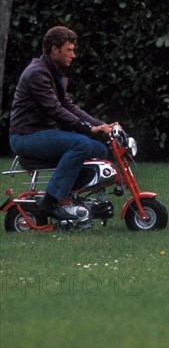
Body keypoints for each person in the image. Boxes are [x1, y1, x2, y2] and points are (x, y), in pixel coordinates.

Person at [9, 26, 115, 223]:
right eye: (69, 50)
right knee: (81, 143)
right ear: (54, 49)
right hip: (26, 137)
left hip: (43, 134)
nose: (73, 55)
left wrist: (102, 125)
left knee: (99, 149)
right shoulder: (37, 73)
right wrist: (88, 129)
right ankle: (50, 203)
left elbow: (69, 106)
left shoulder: (52, 72)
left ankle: (72, 199)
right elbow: (55, 109)